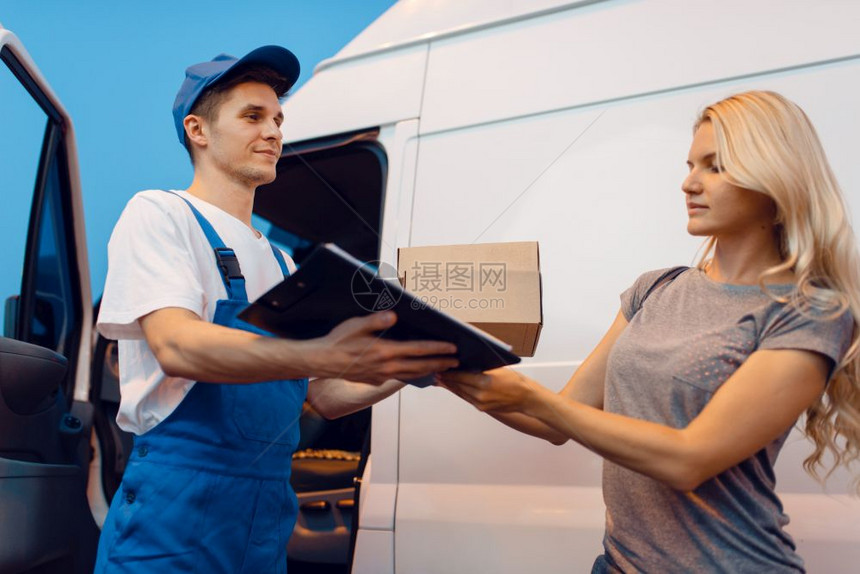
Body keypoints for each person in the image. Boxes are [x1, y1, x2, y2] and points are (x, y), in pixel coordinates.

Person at [440, 90, 860, 573]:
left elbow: (690, 459)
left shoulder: (807, 313)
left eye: (715, 167)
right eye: (690, 164)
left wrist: (536, 399)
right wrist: (446, 365)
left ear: (775, 182)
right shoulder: (655, 289)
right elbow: (555, 424)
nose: (689, 183)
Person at [93, 46, 458, 573]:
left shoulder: (282, 263)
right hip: (175, 501)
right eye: (252, 116)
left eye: (278, 119)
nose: (273, 132)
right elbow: (178, 345)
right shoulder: (161, 214)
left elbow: (323, 395)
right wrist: (318, 352)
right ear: (198, 130)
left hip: (264, 514)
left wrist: (413, 365)